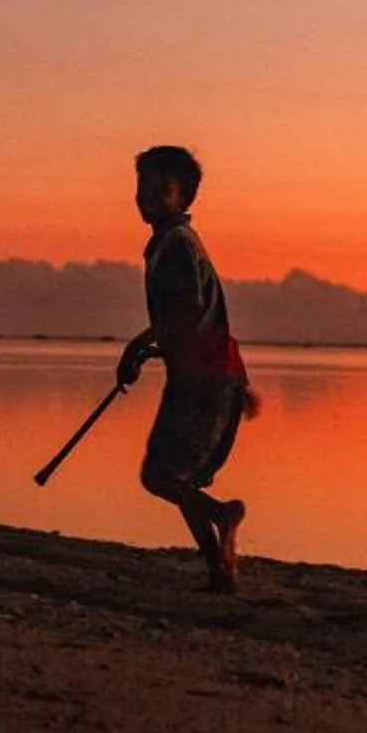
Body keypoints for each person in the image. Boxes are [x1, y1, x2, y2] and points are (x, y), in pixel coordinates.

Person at [115, 145, 258, 592]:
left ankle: (222, 515)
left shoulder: (176, 244)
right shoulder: (167, 243)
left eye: (163, 188)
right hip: (205, 374)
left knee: (159, 476)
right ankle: (219, 569)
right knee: (177, 477)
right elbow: (193, 320)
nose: (148, 195)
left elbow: (188, 310)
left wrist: (138, 345)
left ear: (184, 197)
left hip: (204, 378)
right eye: (143, 186)